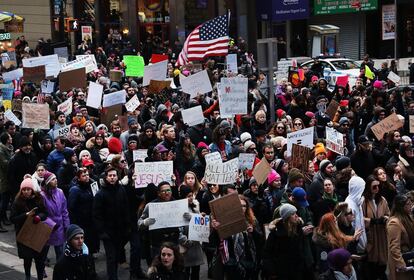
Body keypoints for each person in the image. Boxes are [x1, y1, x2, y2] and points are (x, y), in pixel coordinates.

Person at [93, 167, 130, 280]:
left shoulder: (121, 190)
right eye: (110, 176)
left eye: (114, 175)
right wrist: (102, 232)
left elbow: (125, 208)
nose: (112, 178)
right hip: (108, 232)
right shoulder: (100, 194)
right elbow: (96, 215)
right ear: (106, 177)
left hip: (120, 231)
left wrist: (127, 226)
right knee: (111, 257)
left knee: (117, 255)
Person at [10, 178, 48, 280]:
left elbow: (45, 213)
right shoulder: (17, 202)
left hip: (37, 233)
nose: (26, 191)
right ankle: (27, 276)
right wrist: (26, 215)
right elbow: (13, 218)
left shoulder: (38, 199)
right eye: (24, 189)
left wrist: (39, 217)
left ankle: (40, 277)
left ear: (32, 189)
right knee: (27, 259)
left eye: (28, 189)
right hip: (24, 234)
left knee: (39, 259)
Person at [263, 204, 307, 279]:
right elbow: (267, 253)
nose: (296, 216)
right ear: (287, 217)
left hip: (298, 269)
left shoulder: (298, 229)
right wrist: (272, 271)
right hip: (282, 271)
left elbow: (301, 248)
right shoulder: (275, 233)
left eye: (296, 213)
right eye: (293, 214)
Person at [362, 175, 390, 279]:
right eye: (374, 187)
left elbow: (388, 214)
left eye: (378, 186)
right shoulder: (364, 201)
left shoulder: (382, 200)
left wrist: (385, 218)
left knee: (383, 265)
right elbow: (361, 219)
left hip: (382, 235)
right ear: (368, 187)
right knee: (372, 264)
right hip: (371, 235)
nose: (377, 189)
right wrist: (373, 221)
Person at [40, 171, 70, 261]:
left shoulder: (60, 192)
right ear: (48, 182)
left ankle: (60, 272)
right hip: (47, 226)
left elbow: (64, 211)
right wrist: (51, 224)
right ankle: (42, 269)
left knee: (60, 252)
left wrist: (67, 225)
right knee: (44, 250)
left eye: (56, 178)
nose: (56, 180)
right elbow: (42, 213)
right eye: (53, 179)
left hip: (59, 226)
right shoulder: (42, 196)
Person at [386, 194, 414, 280]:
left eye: (411, 203)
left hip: (410, 258)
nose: (411, 206)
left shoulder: (408, 218)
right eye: (408, 204)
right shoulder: (394, 223)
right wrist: (401, 264)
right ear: (401, 207)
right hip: (402, 263)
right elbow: (394, 247)